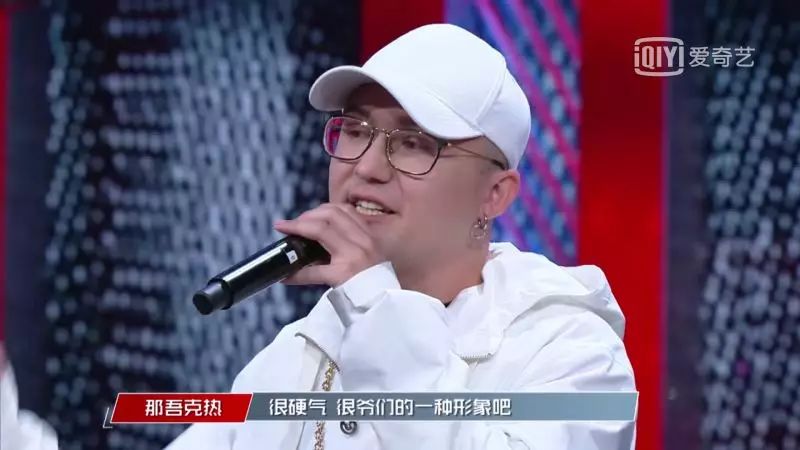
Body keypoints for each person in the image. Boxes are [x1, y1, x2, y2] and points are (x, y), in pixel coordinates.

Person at [167, 23, 636, 450]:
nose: (366, 167)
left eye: (413, 143)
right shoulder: (300, 348)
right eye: (355, 131)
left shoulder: (572, 351)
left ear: (494, 194)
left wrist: (377, 303)